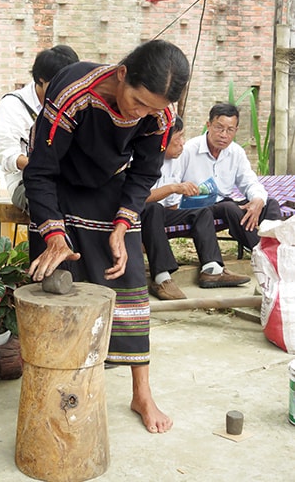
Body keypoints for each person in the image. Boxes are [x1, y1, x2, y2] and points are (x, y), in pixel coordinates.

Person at [23, 39, 190, 434]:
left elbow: (145, 172)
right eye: (138, 101)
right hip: (57, 187)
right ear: (121, 74)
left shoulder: (159, 115)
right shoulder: (72, 92)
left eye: (154, 108)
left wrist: (122, 223)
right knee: (60, 292)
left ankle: (142, 395)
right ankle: (61, 390)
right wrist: (54, 234)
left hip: (109, 190)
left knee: (129, 282)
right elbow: (40, 170)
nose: (143, 113)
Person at [141, 115, 250, 301]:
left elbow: (172, 206)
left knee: (201, 213)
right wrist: (174, 188)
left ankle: (212, 269)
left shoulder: (176, 160)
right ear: (162, 140)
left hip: (159, 215)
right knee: (153, 209)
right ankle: (161, 278)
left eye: (183, 137)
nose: (183, 144)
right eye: (178, 139)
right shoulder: (142, 159)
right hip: (135, 213)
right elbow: (138, 197)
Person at [179, 103, 282, 251]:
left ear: (236, 130)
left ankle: (275, 246)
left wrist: (257, 200)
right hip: (199, 207)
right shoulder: (189, 150)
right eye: (219, 128)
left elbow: (249, 182)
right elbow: (174, 183)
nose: (224, 135)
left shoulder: (236, 152)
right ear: (208, 125)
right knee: (229, 207)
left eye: (230, 130)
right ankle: (261, 251)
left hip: (225, 203)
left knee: (269, 203)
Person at [0, 45, 79, 212]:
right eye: (59, 83)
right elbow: (4, 155)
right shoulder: (12, 106)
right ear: (41, 79)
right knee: (62, 200)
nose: (65, 89)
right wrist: (42, 166)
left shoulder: (74, 103)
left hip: (71, 181)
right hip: (26, 182)